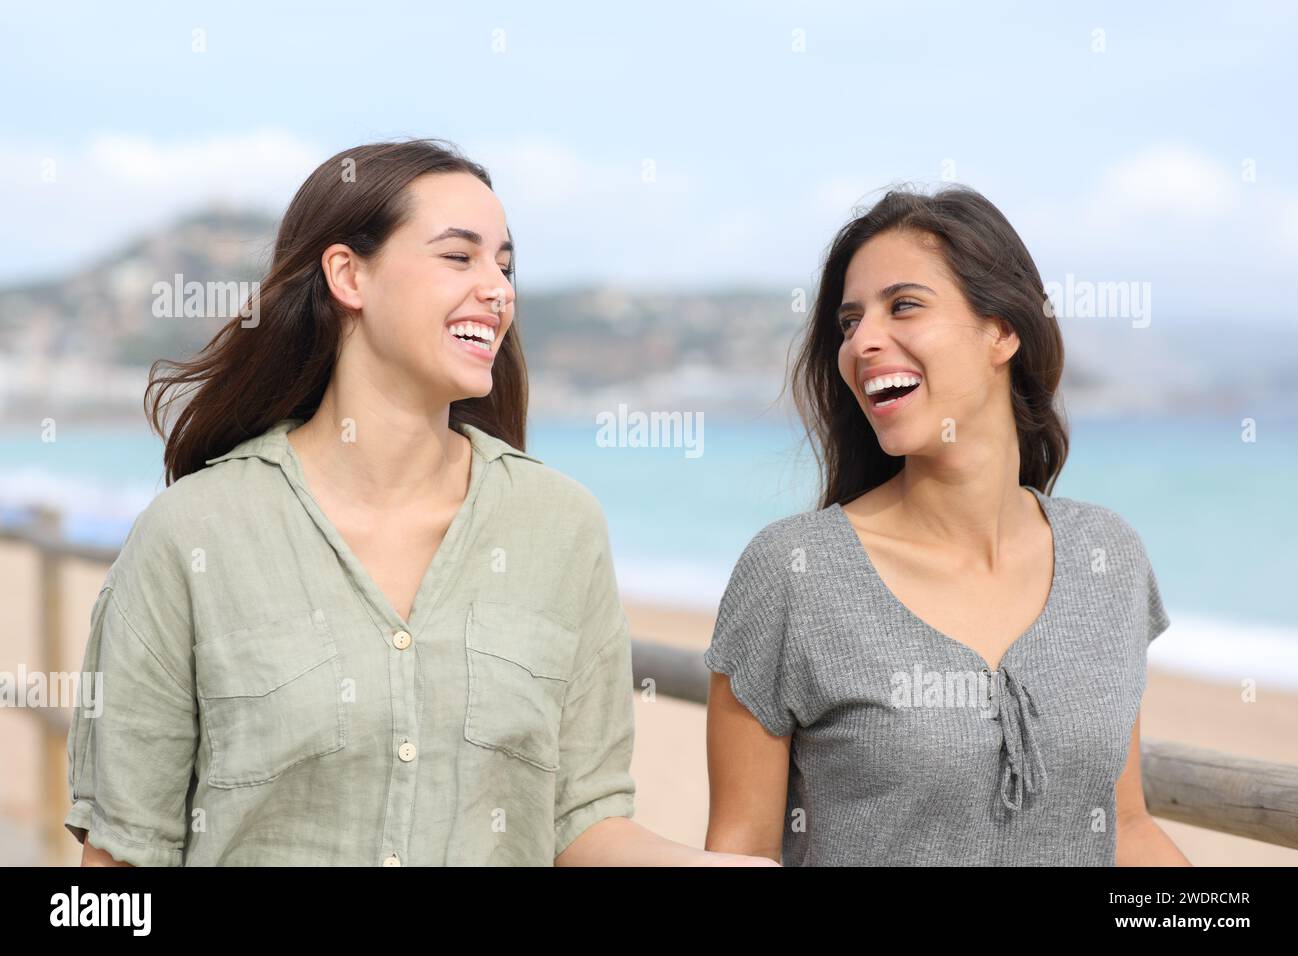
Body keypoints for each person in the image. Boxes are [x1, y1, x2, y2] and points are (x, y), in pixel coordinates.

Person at [66, 138, 774, 867]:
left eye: (505, 265)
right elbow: (123, 857)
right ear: (348, 275)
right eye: (459, 257)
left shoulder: (561, 527)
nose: (498, 290)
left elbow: (582, 822)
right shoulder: (191, 535)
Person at [703, 185, 1190, 866]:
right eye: (848, 323)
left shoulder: (1107, 557)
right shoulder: (792, 574)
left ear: (1003, 330)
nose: (863, 342)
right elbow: (740, 853)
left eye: (903, 305)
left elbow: (1127, 828)